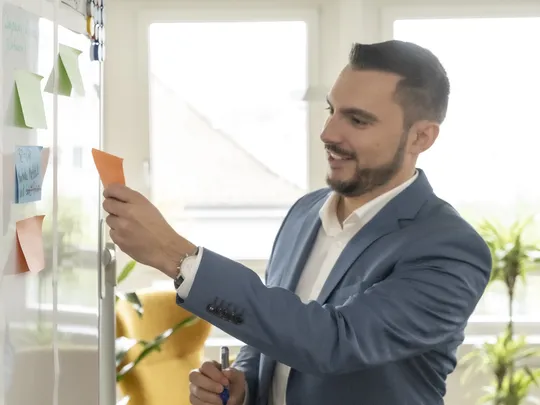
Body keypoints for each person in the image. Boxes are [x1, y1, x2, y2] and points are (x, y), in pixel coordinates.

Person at [102, 40, 492, 405]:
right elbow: (273, 335)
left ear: (421, 138)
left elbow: (335, 342)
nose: (328, 133)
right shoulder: (305, 213)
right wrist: (244, 385)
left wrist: (177, 256)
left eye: (357, 120)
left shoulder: (450, 250)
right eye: (331, 111)